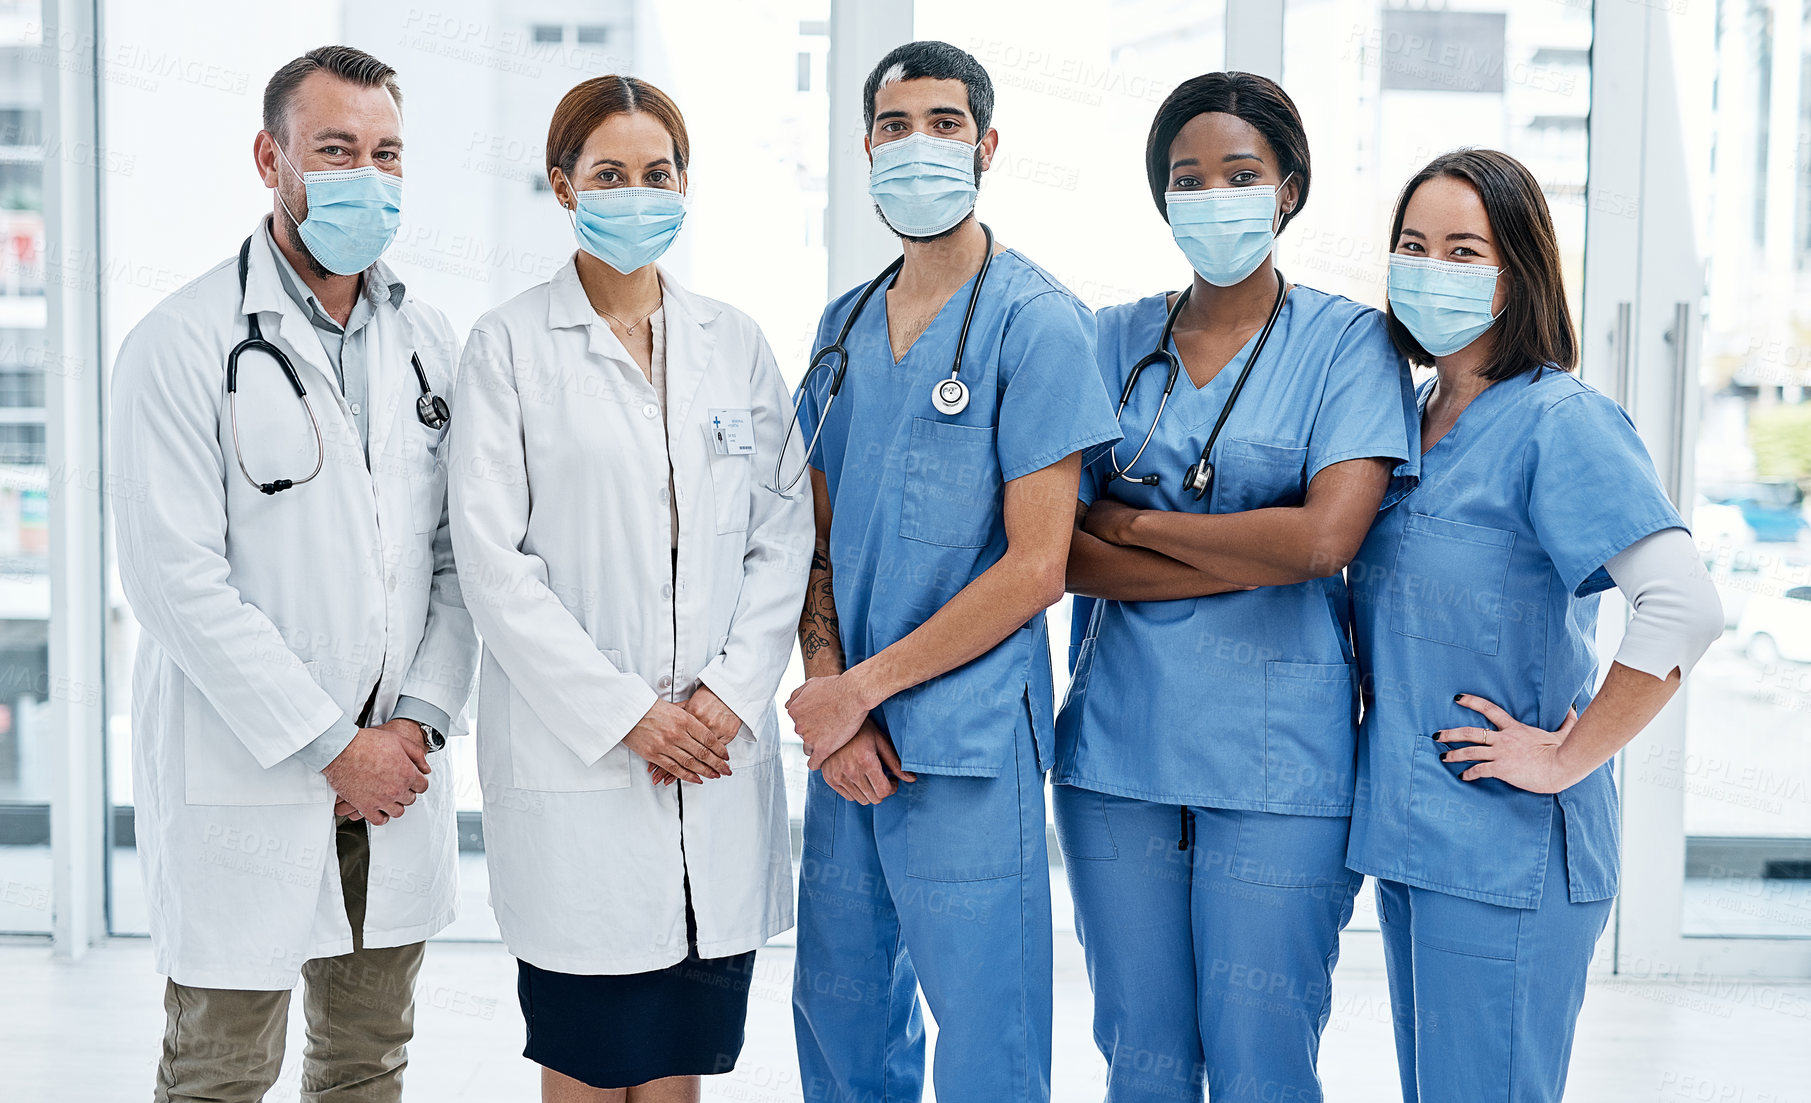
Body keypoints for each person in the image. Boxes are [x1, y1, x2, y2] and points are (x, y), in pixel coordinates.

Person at [110, 46, 477, 1103]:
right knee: (218, 1070)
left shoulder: (429, 343)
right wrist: (331, 746)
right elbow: (176, 580)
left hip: (395, 776)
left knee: (366, 1061)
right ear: (271, 157)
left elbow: (459, 559)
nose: (368, 175)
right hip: (256, 770)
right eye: (336, 149)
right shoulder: (180, 343)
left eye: (386, 153)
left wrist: (414, 721)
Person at [446, 75, 813, 1103]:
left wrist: (726, 697)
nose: (636, 192)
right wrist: (627, 716)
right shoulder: (509, 346)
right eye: (609, 173)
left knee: (677, 1060)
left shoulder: (732, 342)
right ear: (562, 186)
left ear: (685, 184)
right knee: (590, 1056)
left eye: (658, 172)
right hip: (589, 764)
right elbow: (492, 563)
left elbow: (782, 536)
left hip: (711, 753)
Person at [1055, 72, 1420, 1103]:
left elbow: (1321, 540)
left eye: (1240, 173)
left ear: (1289, 188)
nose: (1212, 195)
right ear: (1161, 198)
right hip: (1118, 755)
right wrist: (1234, 541)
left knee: (1262, 1056)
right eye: (1188, 177)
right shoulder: (1106, 338)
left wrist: (1127, 519)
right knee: (1141, 1052)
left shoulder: (1349, 343)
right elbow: (1055, 552)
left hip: (1281, 762)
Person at [782, 40, 1122, 1103]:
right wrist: (830, 689)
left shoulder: (1036, 322)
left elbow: (1036, 567)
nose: (916, 145)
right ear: (865, 147)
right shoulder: (840, 326)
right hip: (847, 737)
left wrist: (857, 693)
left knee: (985, 1034)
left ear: (985, 146)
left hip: (964, 744)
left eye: (941, 123)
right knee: (841, 1014)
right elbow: (813, 537)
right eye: (893, 125)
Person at [1347, 148, 1723, 1103]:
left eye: (1464, 249)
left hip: (1504, 849)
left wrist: (1561, 758)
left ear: (1519, 272)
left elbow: (1681, 605)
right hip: (1414, 837)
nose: (1432, 268)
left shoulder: (1561, 421)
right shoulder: (1408, 418)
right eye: (1413, 245)